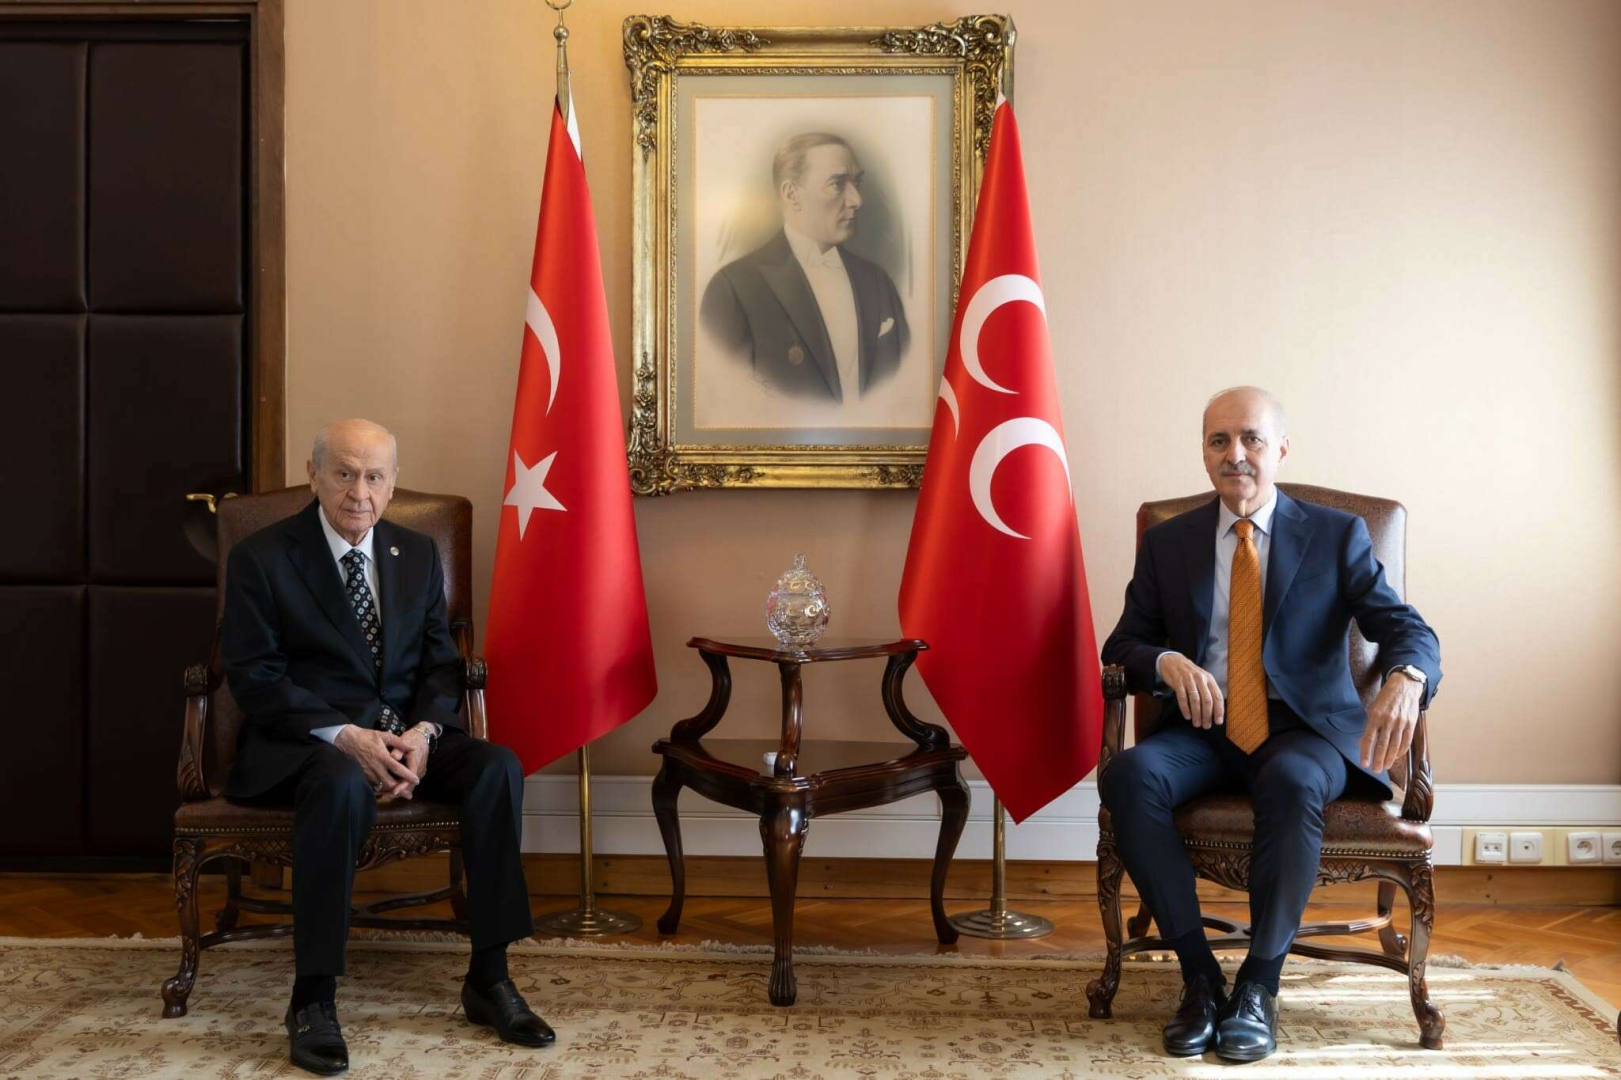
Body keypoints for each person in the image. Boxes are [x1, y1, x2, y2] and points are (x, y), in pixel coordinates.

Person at [1099, 387, 1441, 1063]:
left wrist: (1406, 677)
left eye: (1250, 438)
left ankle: (1258, 985)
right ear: (1204, 453)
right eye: (1218, 441)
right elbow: (1123, 645)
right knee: (1131, 775)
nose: (1235, 455)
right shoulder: (1169, 541)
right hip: (1202, 728)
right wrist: (1166, 660)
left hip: (1302, 730)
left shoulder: (1336, 534)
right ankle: (1199, 978)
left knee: (1291, 781)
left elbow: (1404, 627)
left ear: (1280, 448)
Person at [221, 419, 551, 1075]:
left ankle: (489, 977)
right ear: (314, 476)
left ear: (393, 483)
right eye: (344, 473)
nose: (359, 493)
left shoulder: (416, 553)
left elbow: (441, 665)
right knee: (340, 780)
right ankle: (313, 997)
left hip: (406, 736)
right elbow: (255, 677)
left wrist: (424, 734)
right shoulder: (262, 557)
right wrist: (346, 736)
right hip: (308, 743)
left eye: (374, 476)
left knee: (497, 767)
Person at [700, 132, 909, 402]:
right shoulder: (732, 289)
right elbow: (729, 402)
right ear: (791, 195)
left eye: (856, 182)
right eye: (837, 184)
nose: (857, 200)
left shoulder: (878, 282)